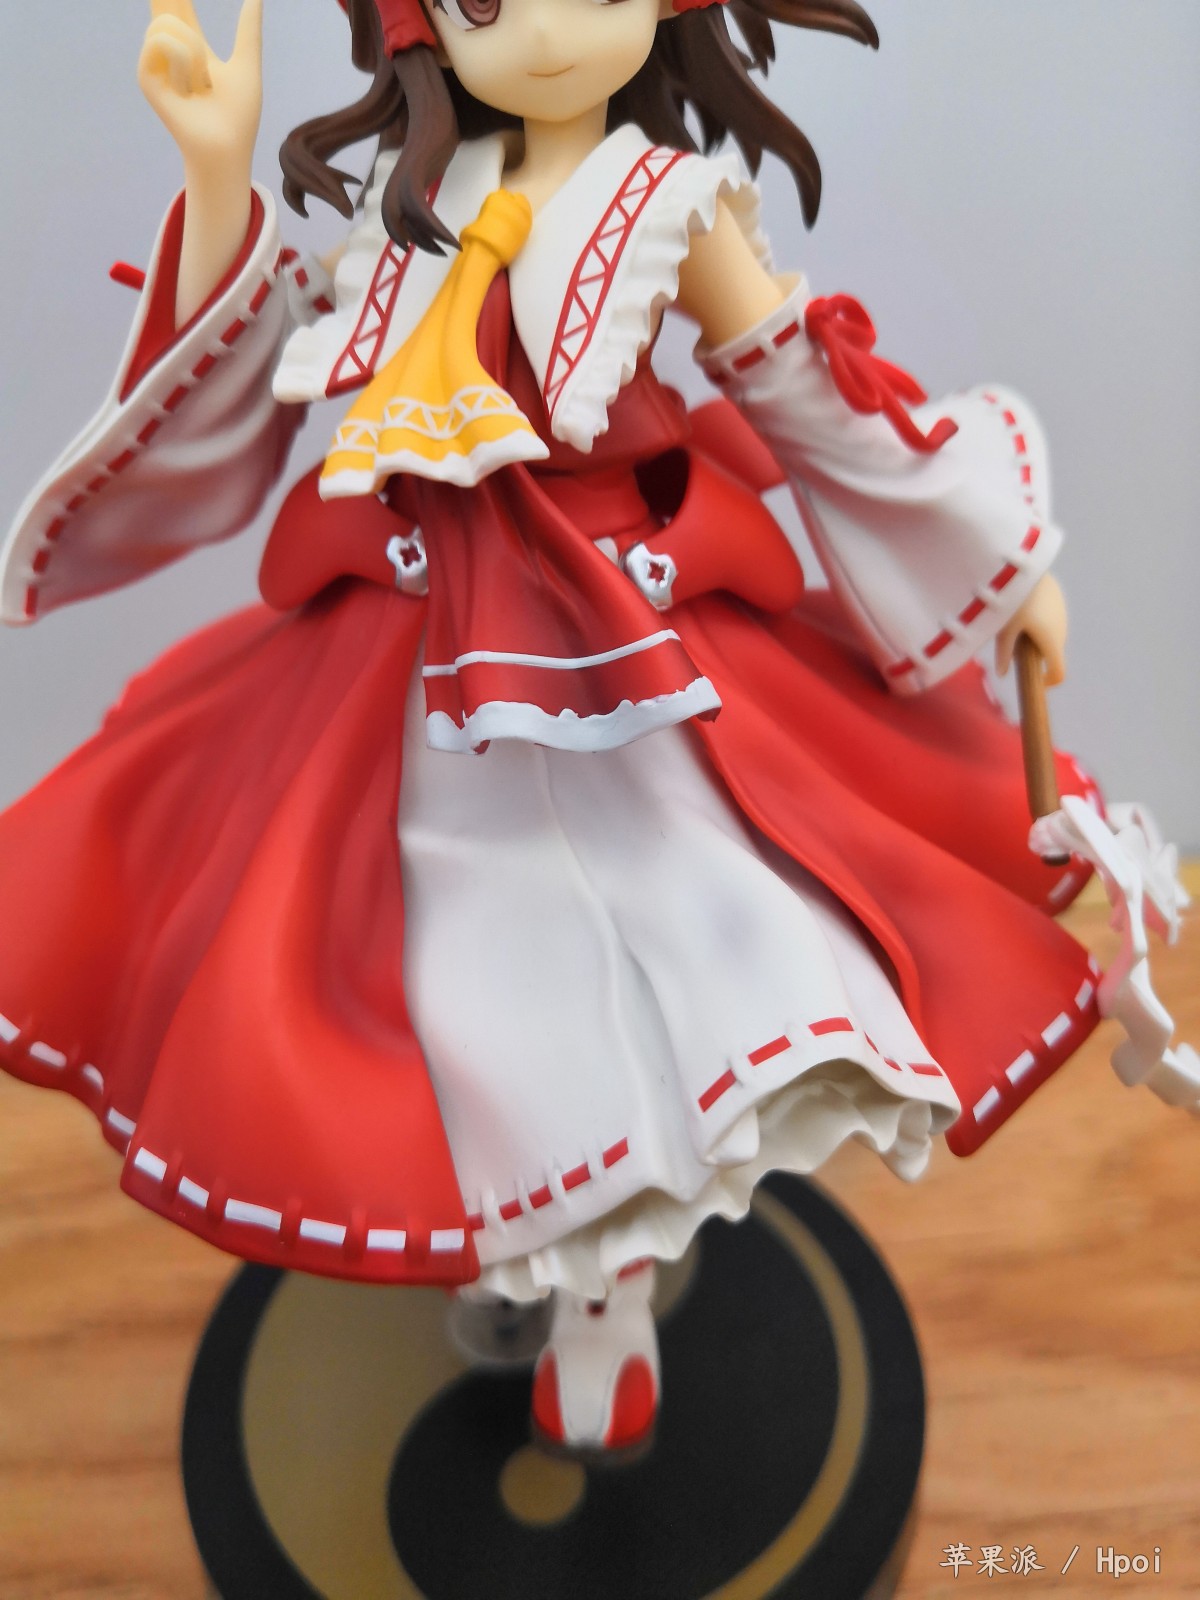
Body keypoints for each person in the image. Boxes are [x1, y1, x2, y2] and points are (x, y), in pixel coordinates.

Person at [0, 0, 1170, 1459]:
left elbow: (807, 393)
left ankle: (603, 1288)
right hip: (415, 654)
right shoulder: (411, 206)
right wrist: (217, 176)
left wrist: (996, 563)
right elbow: (255, 398)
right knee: (439, 972)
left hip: (637, 660)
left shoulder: (670, 199)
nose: (549, 31)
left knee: (679, 963)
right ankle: (508, 1223)